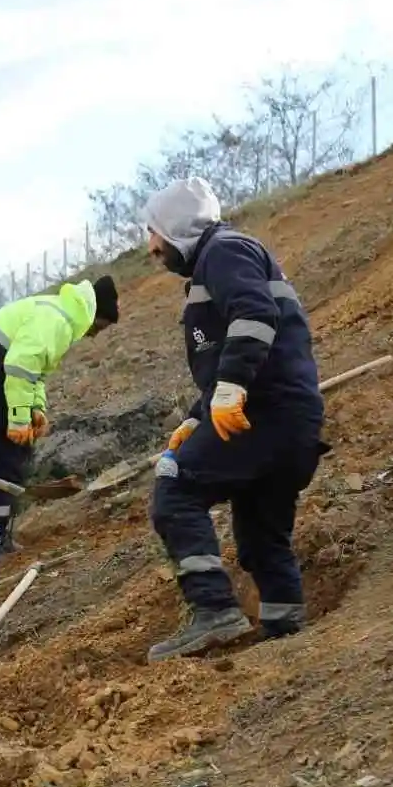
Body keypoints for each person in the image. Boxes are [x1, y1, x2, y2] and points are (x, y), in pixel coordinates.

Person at [140, 176, 329, 662]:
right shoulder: (225, 257)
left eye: (153, 232)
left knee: (175, 483)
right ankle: (285, 628)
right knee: (260, 528)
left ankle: (214, 610)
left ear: (176, 230)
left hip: (264, 414)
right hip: (285, 417)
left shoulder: (223, 253)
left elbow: (253, 316)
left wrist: (230, 391)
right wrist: (197, 415)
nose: (151, 247)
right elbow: (233, 352)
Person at [0, 276, 119, 551]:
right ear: (94, 314)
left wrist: (36, 408)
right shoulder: (59, 321)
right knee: (9, 455)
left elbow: (36, 372)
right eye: (100, 327)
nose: (95, 335)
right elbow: (19, 366)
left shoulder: (58, 311)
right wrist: (18, 420)